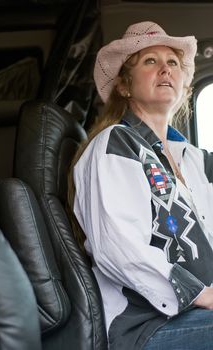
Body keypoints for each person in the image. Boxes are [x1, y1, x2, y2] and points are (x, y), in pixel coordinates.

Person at [68, 21, 213, 349]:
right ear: (123, 86)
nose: (165, 68)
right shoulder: (115, 145)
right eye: (150, 61)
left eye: (172, 62)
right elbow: (117, 246)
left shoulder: (192, 159)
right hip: (146, 325)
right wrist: (201, 294)